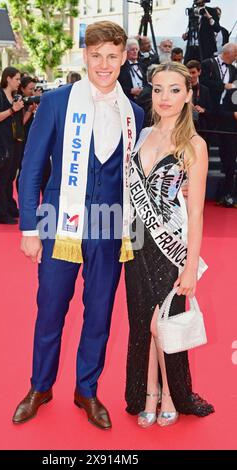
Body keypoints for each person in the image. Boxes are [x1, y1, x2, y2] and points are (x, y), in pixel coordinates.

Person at [12, 21, 144, 430]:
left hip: (110, 230)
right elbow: (30, 169)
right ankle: (40, 385)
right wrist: (29, 229)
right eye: (96, 55)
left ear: (124, 58)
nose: (104, 64)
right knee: (50, 309)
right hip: (58, 223)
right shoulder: (55, 102)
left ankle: (86, 388)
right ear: (84, 55)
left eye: (112, 56)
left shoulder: (135, 113)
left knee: (100, 313)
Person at [124, 62, 214, 427]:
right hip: (134, 241)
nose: (165, 97)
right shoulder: (141, 134)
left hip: (169, 244)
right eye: (158, 88)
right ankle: (149, 392)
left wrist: (190, 266)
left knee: (164, 323)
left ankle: (172, 395)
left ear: (189, 95)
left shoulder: (194, 144)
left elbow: (196, 214)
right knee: (143, 322)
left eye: (175, 89)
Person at [201, 43, 237, 206]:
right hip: (209, 111)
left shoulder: (233, 70)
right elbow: (204, 82)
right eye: (235, 53)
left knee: (228, 154)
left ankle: (227, 193)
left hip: (226, 114)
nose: (236, 57)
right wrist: (223, 86)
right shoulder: (208, 64)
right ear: (228, 52)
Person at [0, 67, 24, 224]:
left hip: (14, 142)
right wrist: (12, 110)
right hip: (2, 143)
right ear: (8, 79)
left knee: (10, 177)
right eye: (16, 79)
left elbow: (18, 122)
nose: (19, 82)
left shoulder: (15, 96)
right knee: (2, 179)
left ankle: (10, 208)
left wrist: (25, 111)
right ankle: (0, 214)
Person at [186, 60, 212, 136]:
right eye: (189, 73)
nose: (191, 75)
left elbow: (211, 110)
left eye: (193, 72)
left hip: (201, 128)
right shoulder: (181, 89)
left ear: (199, 72)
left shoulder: (205, 90)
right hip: (185, 127)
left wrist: (203, 110)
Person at [118, 38, 146, 102]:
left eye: (136, 49)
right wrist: (130, 91)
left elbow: (146, 82)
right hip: (128, 99)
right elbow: (118, 85)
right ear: (126, 52)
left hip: (143, 99)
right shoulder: (121, 67)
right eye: (132, 50)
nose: (135, 51)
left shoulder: (143, 65)